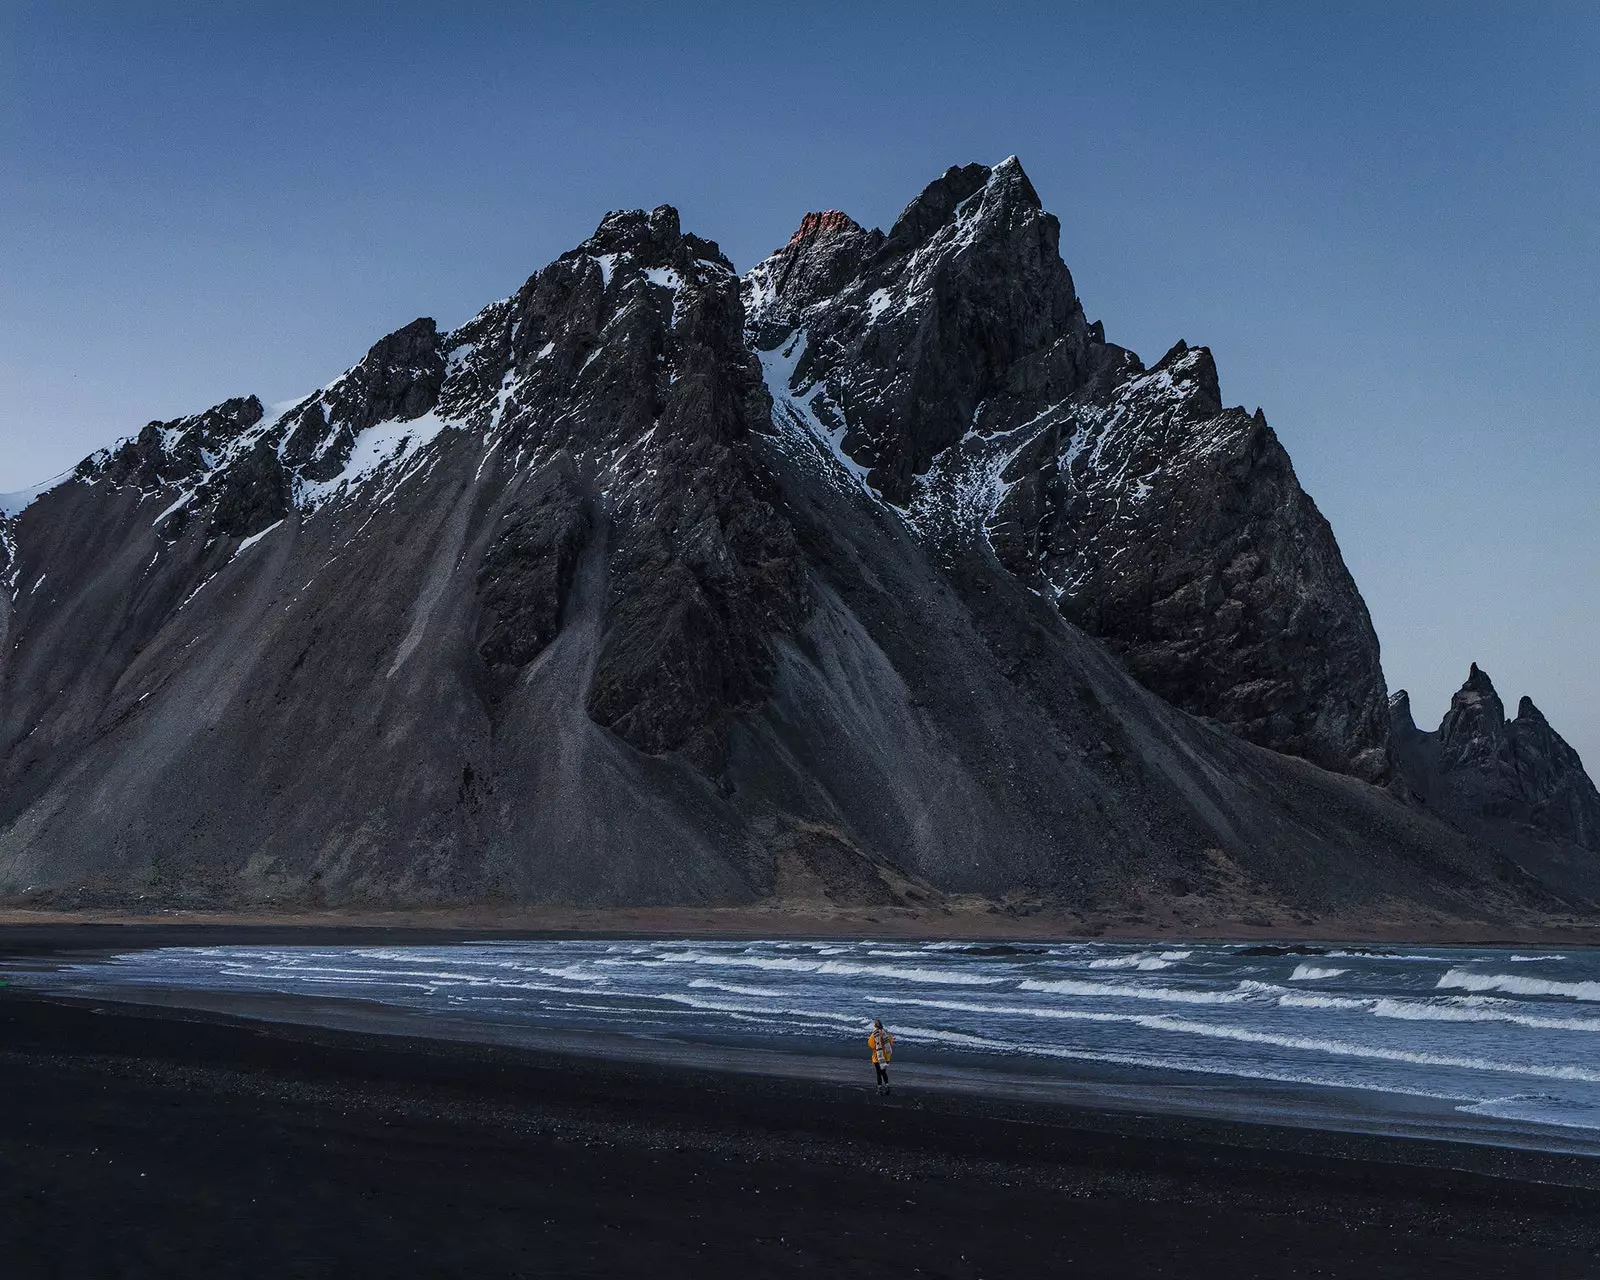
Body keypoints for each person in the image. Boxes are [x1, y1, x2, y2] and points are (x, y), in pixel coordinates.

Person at [868, 1018, 895, 1094]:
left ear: (875, 1026)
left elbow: (871, 1045)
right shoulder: (886, 1033)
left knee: (878, 1073)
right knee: (884, 1072)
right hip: (886, 1057)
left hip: (877, 1057)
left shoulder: (874, 1034)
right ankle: (887, 1085)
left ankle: (879, 1088)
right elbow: (891, 1043)